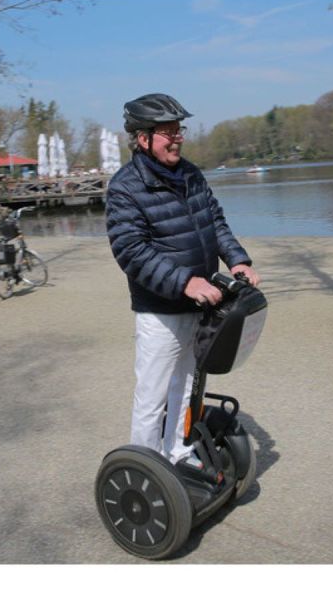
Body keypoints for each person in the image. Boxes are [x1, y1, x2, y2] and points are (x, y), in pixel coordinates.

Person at [105, 93, 260, 466]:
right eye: (167, 132)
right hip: (160, 311)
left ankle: (178, 451)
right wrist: (184, 283)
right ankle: (145, 466)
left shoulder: (190, 174)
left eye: (179, 130)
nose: (177, 138)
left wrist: (237, 260)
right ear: (143, 138)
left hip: (202, 302)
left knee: (187, 387)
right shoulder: (125, 187)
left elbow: (215, 222)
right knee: (152, 397)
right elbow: (130, 250)